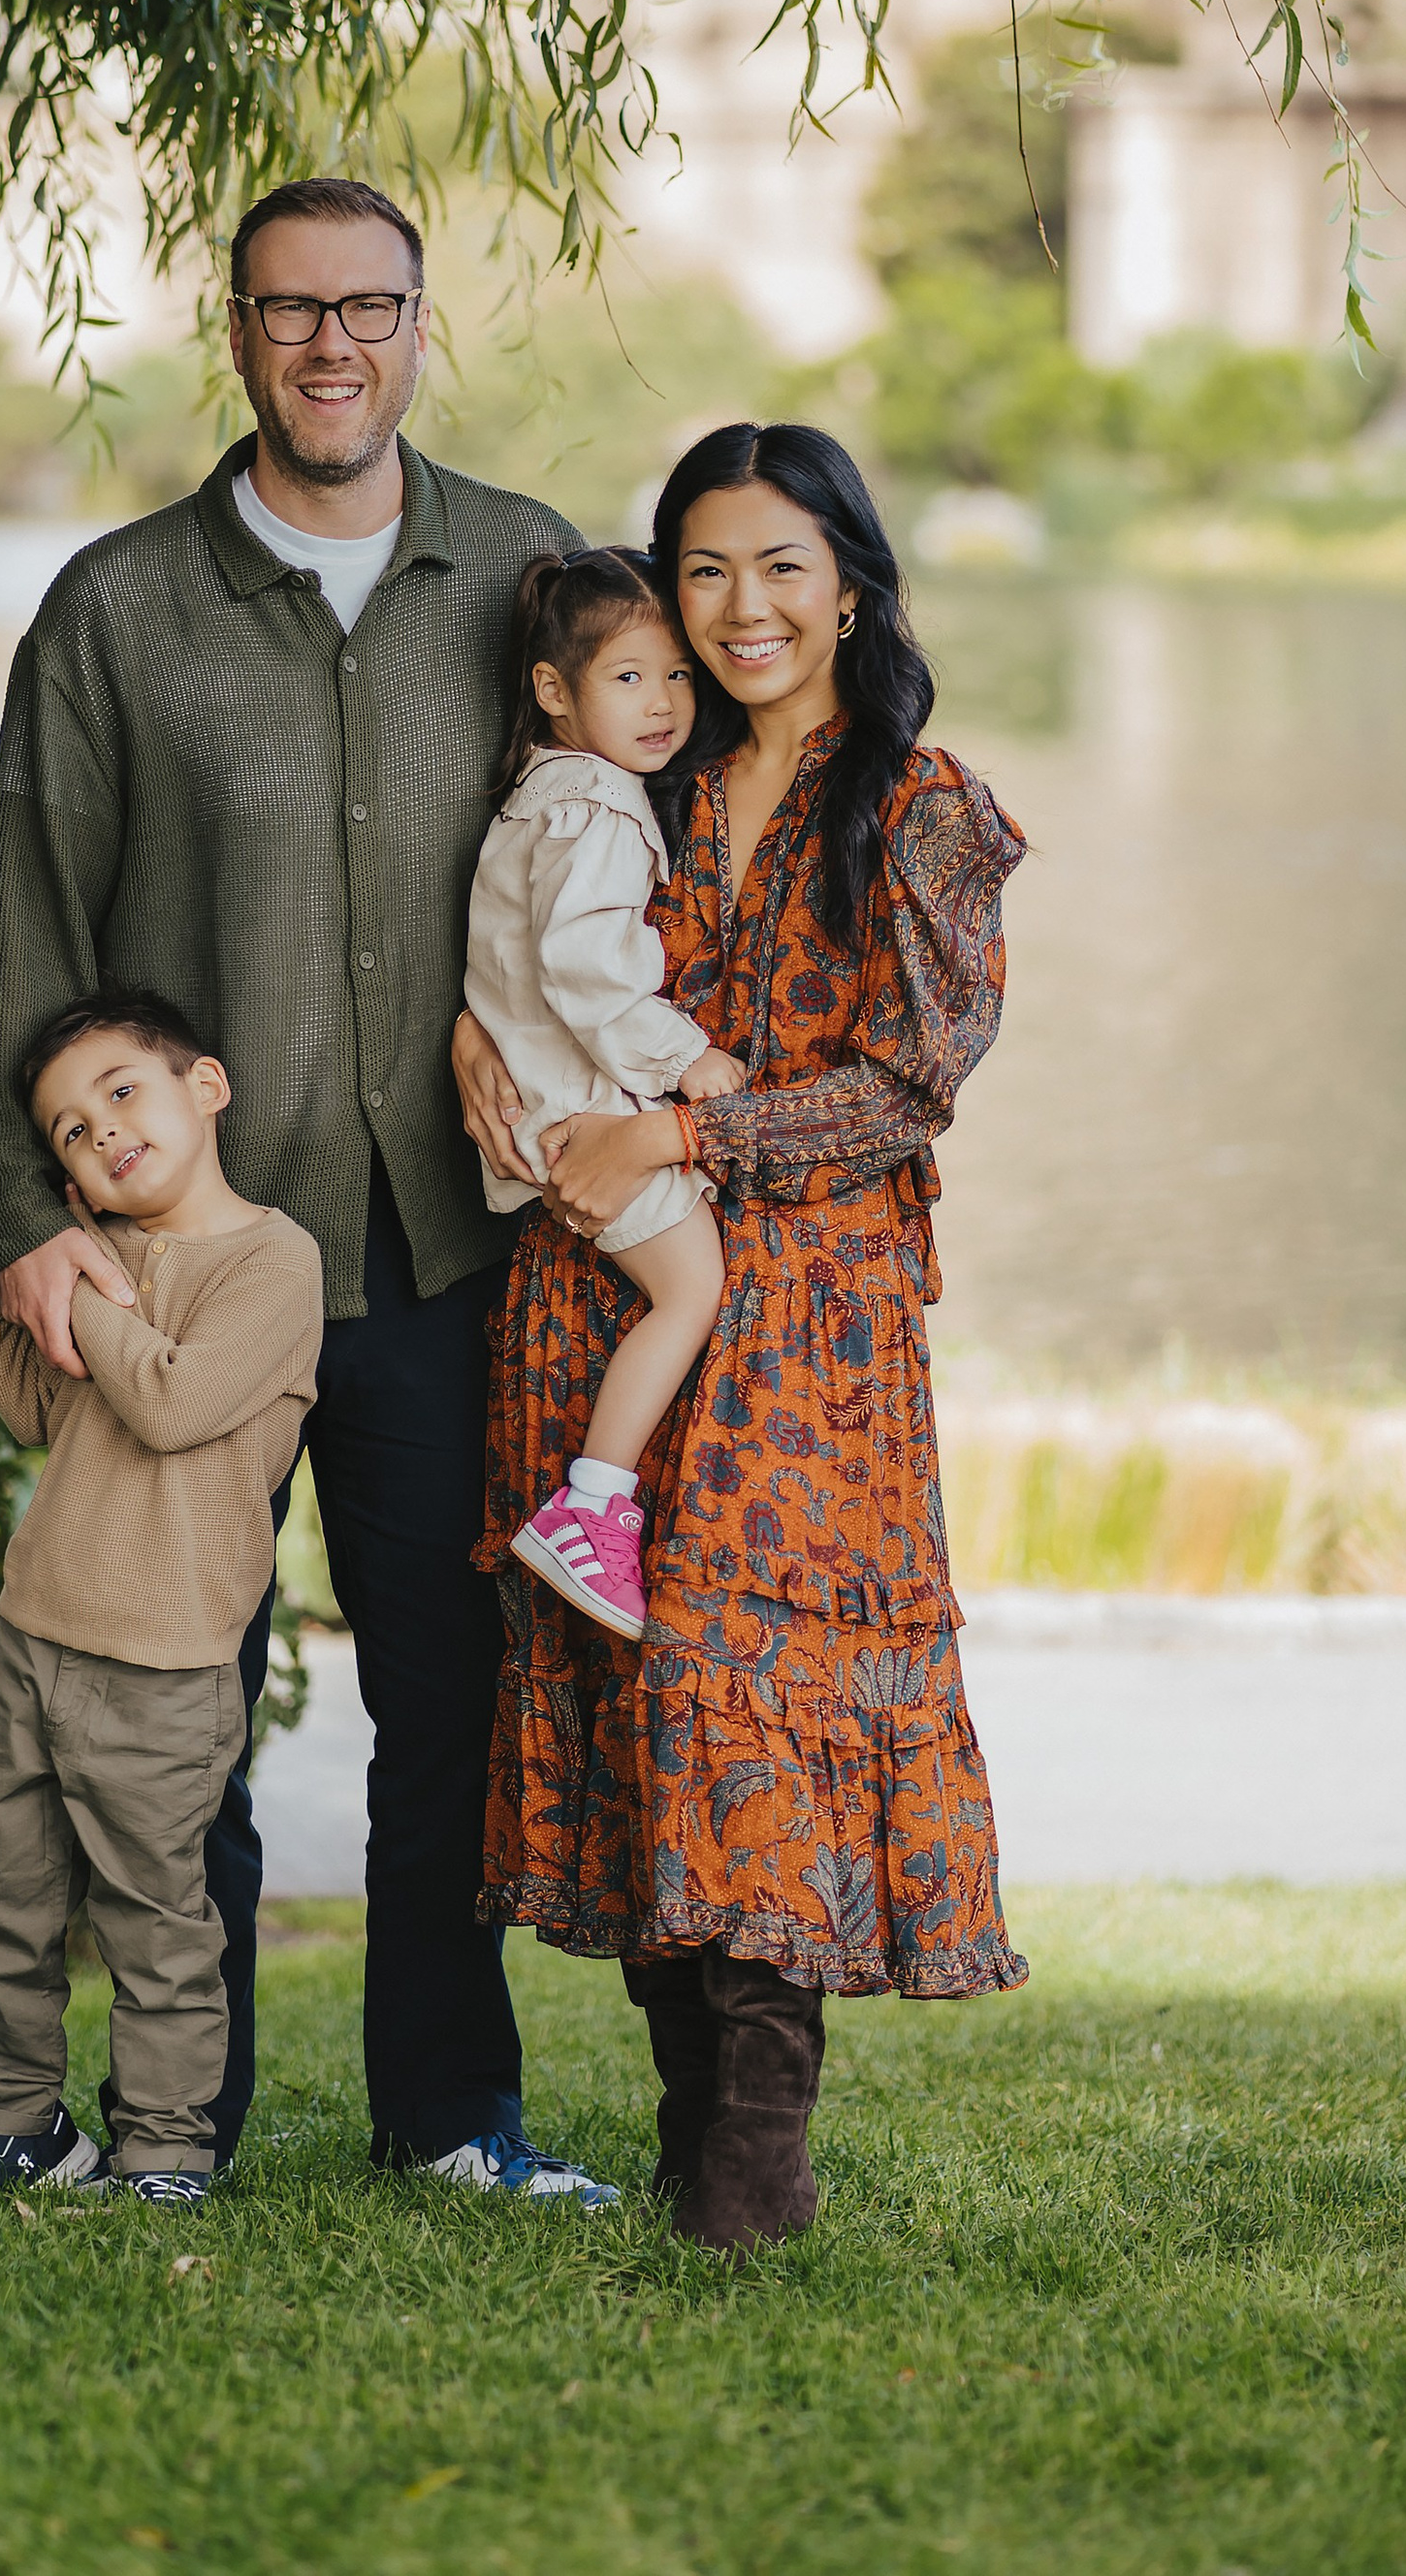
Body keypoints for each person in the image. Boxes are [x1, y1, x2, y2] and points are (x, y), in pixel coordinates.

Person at [0, 175, 614, 2201]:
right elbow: (30, 935)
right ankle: (186, 2127)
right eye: (287, 311)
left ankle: (446, 2119)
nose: (330, 345)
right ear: (231, 336)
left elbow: (623, 834)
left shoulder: (519, 573)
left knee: (452, 1710)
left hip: (442, 1252)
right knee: (179, 1723)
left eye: (368, 307)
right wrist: (20, 1245)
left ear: (424, 325)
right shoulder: (114, 610)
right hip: (183, 1289)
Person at [462, 421, 1030, 2252]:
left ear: (850, 580)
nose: (741, 607)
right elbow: (517, 955)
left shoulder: (921, 804)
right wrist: (488, 1071)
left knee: (757, 1721)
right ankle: (684, 2124)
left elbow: (910, 1085)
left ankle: (751, 2172)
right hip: (607, 1291)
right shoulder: (633, 764)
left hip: (807, 1344)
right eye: (703, 569)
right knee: (643, 1706)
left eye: (781, 565)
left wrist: (695, 1132)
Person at [0, 986, 322, 2201]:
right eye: (66, 1130)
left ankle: (165, 2149)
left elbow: (170, 1402)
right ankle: (15, 2127)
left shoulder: (278, 1260)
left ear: (203, 1087)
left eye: (120, 1093)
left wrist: (84, 1279)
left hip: (166, 1662)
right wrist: (9, 1256)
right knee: (2, 1906)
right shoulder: (82, 1257)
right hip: (32, 1634)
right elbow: (30, 1400)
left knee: (157, 1928)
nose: (99, 1130)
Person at [464, 547, 748, 1644]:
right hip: (579, 1108)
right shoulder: (602, 806)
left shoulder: (543, 792)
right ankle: (591, 1504)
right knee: (690, 1291)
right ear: (552, 687)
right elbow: (586, 965)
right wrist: (685, 1060)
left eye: (679, 676)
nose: (664, 703)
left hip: (540, 1098)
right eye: (629, 678)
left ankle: (594, 1498)